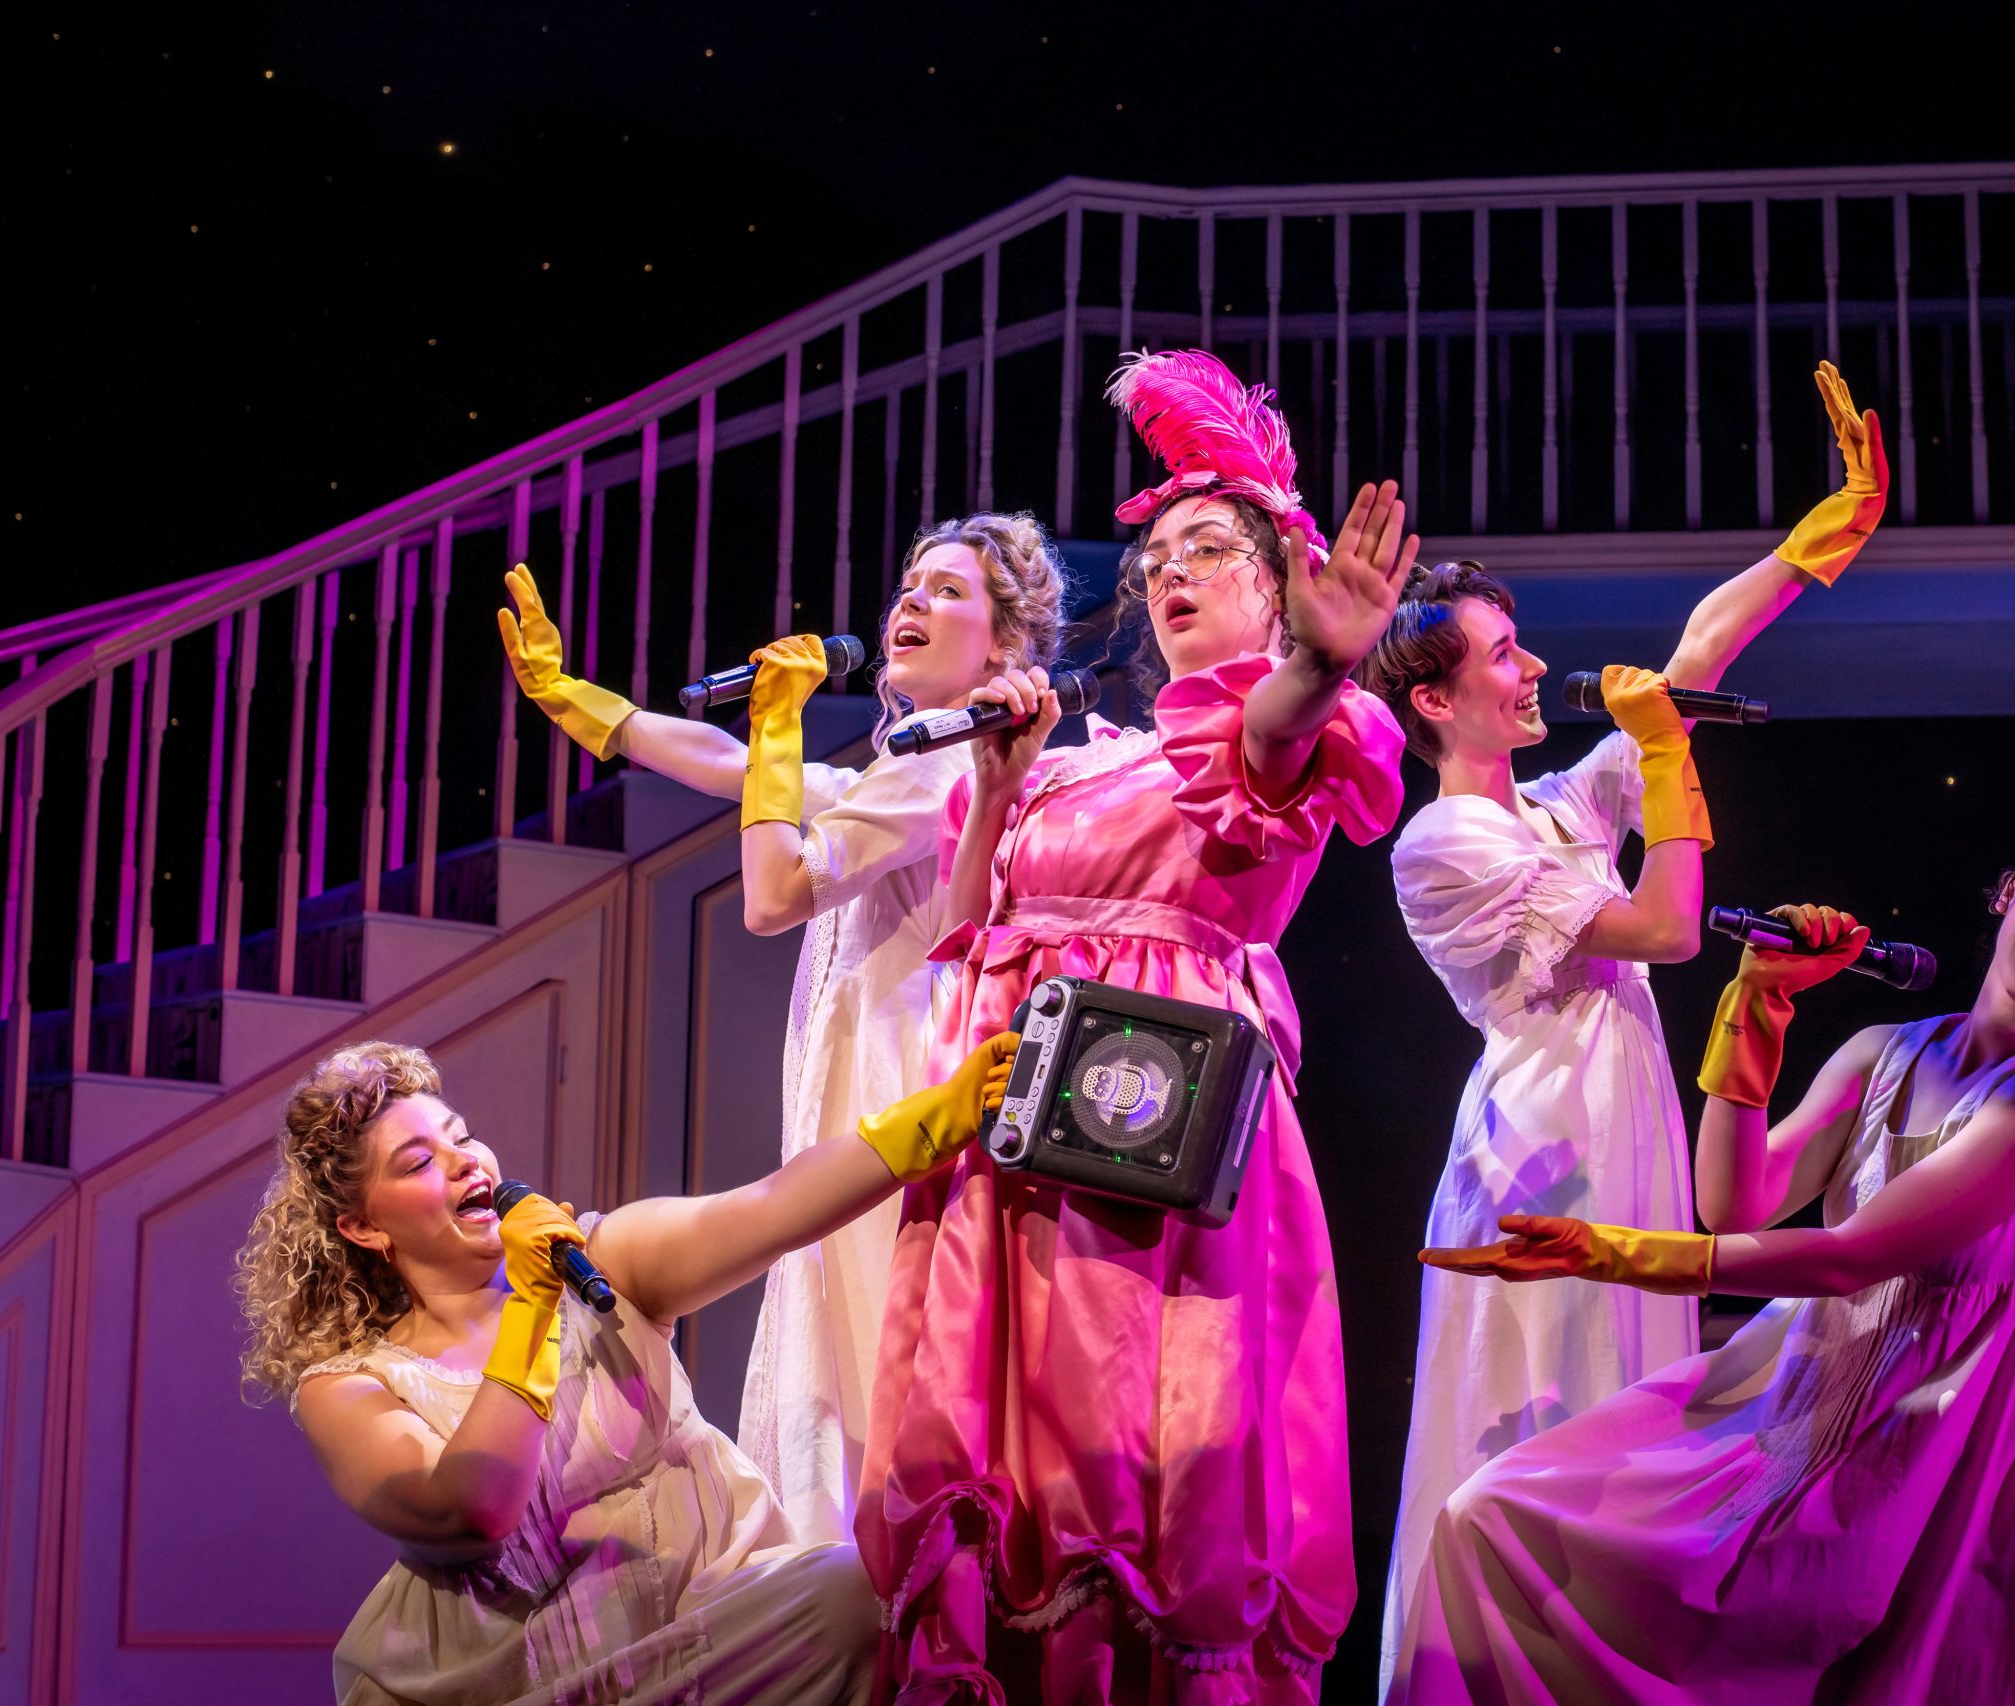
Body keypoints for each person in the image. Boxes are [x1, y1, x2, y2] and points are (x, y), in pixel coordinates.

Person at [857, 350, 1412, 1699]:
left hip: (1146, 1122)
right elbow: (966, 928)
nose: (1170, 572)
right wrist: (995, 782)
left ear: (1280, 588)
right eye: (1157, 551)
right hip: (1011, 1114)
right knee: (1006, 1449)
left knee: (1129, 1427)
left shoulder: (1270, 726)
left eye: (1210, 549)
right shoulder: (1093, 752)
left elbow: (1275, 744)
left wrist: (1324, 661)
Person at [1398, 803, 2015, 1704]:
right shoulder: (1883, 1051)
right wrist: (1757, 1003)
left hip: (1960, 1455)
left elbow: (1852, 1257)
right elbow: (1734, 1203)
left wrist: (1607, 1253)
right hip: (1813, 1407)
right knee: (1496, 1518)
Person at [1357, 363, 1889, 1688]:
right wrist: (1662, 760)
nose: (1535, 664)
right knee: (1544, 1419)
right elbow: (1662, 926)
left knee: (1630, 1423)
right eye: (1503, 653)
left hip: (1619, 1131)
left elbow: (1692, 656)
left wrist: (1812, 540)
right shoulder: (1444, 840)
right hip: (1546, 1147)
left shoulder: (1547, 810)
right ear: (1437, 699)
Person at [495, 516, 1065, 1548]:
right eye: (907, 583)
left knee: (857, 1379)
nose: (910, 603)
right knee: (847, 1368)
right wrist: (581, 703)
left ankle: (864, 1599)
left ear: (1006, 645)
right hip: (872, 1103)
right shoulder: (917, 769)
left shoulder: (940, 773)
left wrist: (778, 722)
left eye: (946, 590)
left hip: (892, 1100)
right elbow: (735, 765)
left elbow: (772, 891)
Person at [235, 1031, 1018, 1706]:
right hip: (515, 1684)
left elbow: (770, 1207)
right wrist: (531, 1308)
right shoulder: (350, 1386)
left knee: (855, 1595)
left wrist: (943, 1113)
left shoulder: (602, 1262)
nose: (466, 1162)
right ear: (363, 1227)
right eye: (418, 1162)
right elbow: (472, 1510)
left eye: (461, 1136)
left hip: (713, 1636)